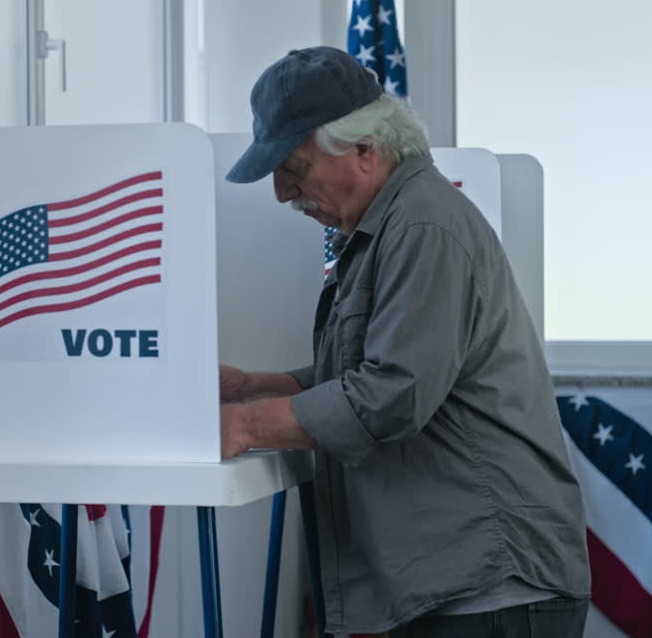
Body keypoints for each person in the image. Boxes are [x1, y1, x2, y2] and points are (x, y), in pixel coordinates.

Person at [218, 46, 590, 637]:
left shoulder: (422, 225)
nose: (282, 194)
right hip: (461, 579)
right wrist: (259, 388)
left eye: (294, 166)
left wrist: (246, 425)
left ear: (364, 150)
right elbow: (376, 366)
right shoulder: (396, 221)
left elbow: (391, 395)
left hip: (489, 584)